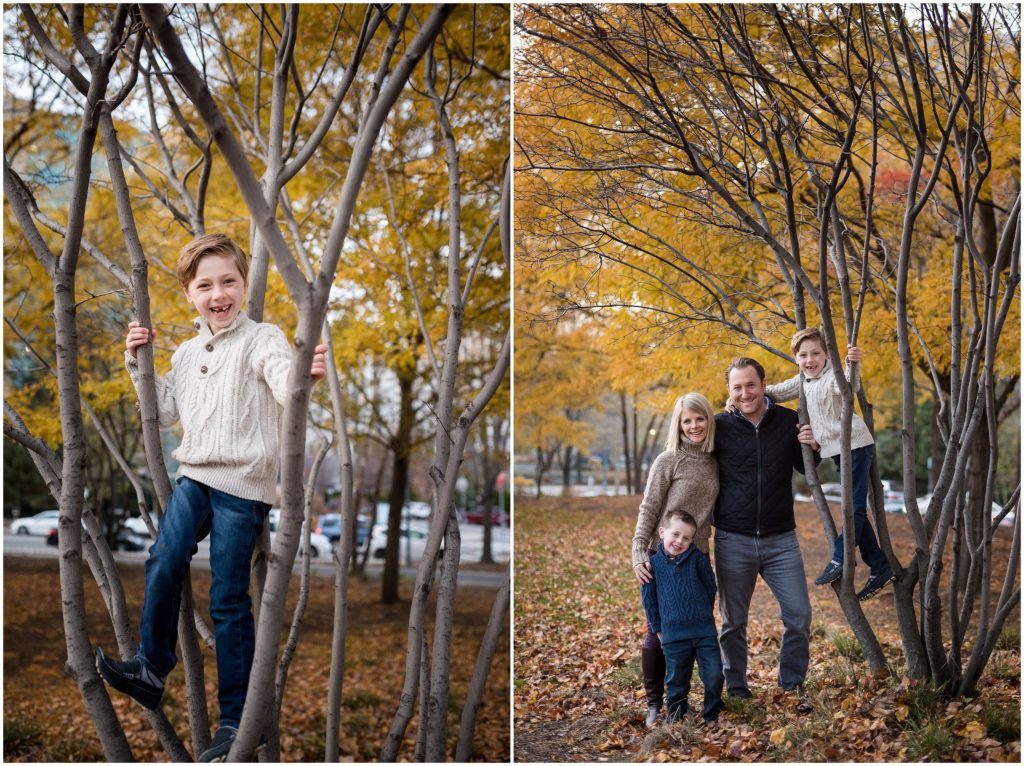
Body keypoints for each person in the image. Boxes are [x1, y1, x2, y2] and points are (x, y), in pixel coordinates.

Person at [95, 233, 328, 762]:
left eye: (229, 281)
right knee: (163, 558)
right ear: (189, 294)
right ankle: (151, 668)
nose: (218, 293)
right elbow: (167, 409)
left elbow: (280, 375)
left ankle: (235, 720)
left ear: (244, 285)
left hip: (242, 487)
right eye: (206, 285)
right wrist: (138, 361)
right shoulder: (184, 351)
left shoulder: (262, 338)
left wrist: (301, 375)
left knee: (227, 598)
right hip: (194, 477)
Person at [758, 328, 896, 601]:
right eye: (803, 355)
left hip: (854, 444)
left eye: (816, 354)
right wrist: (740, 397)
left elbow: (849, 386)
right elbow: (772, 392)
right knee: (856, 509)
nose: (810, 360)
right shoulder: (803, 380)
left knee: (852, 506)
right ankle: (879, 565)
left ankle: (840, 557)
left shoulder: (833, 375)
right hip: (837, 449)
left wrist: (852, 362)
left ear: (826, 355)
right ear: (796, 358)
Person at [714, 357, 818, 699]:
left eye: (751, 385)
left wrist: (813, 446)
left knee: (799, 615)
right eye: (737, 387)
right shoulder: (719, 427)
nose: (745, 393)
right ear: (729, 391)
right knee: (732, 623)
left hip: (781, 540)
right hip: (733, 539)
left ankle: (791, 684)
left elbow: (807, 469)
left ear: (764, 385)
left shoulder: (788, 421)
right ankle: (737, 687)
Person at [632, 393, 718, 727]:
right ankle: (655, 703)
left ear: (709, 420)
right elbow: (649, 507)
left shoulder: (714, 459)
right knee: (659, 630)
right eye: (687, 420)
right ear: (678, 425)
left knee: (695, 626)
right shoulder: (669, 460)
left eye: (700, 419)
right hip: (663, 555)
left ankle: (684, 698)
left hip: (699, 554)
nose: (694, 426)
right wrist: (640, 550)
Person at [640, 511, 724, 725]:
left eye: (686, 538)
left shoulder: (697, 559)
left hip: (704, 631)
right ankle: (676, 717)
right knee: (676, 680)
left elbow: (710, 586)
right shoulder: (652, 565)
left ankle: (711, 715)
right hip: (673, 635)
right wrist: (659, 630)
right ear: (662, 532)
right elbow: (649, 602)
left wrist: (703, 612)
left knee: (714, 675)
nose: (679, 541)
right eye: (675, 535)